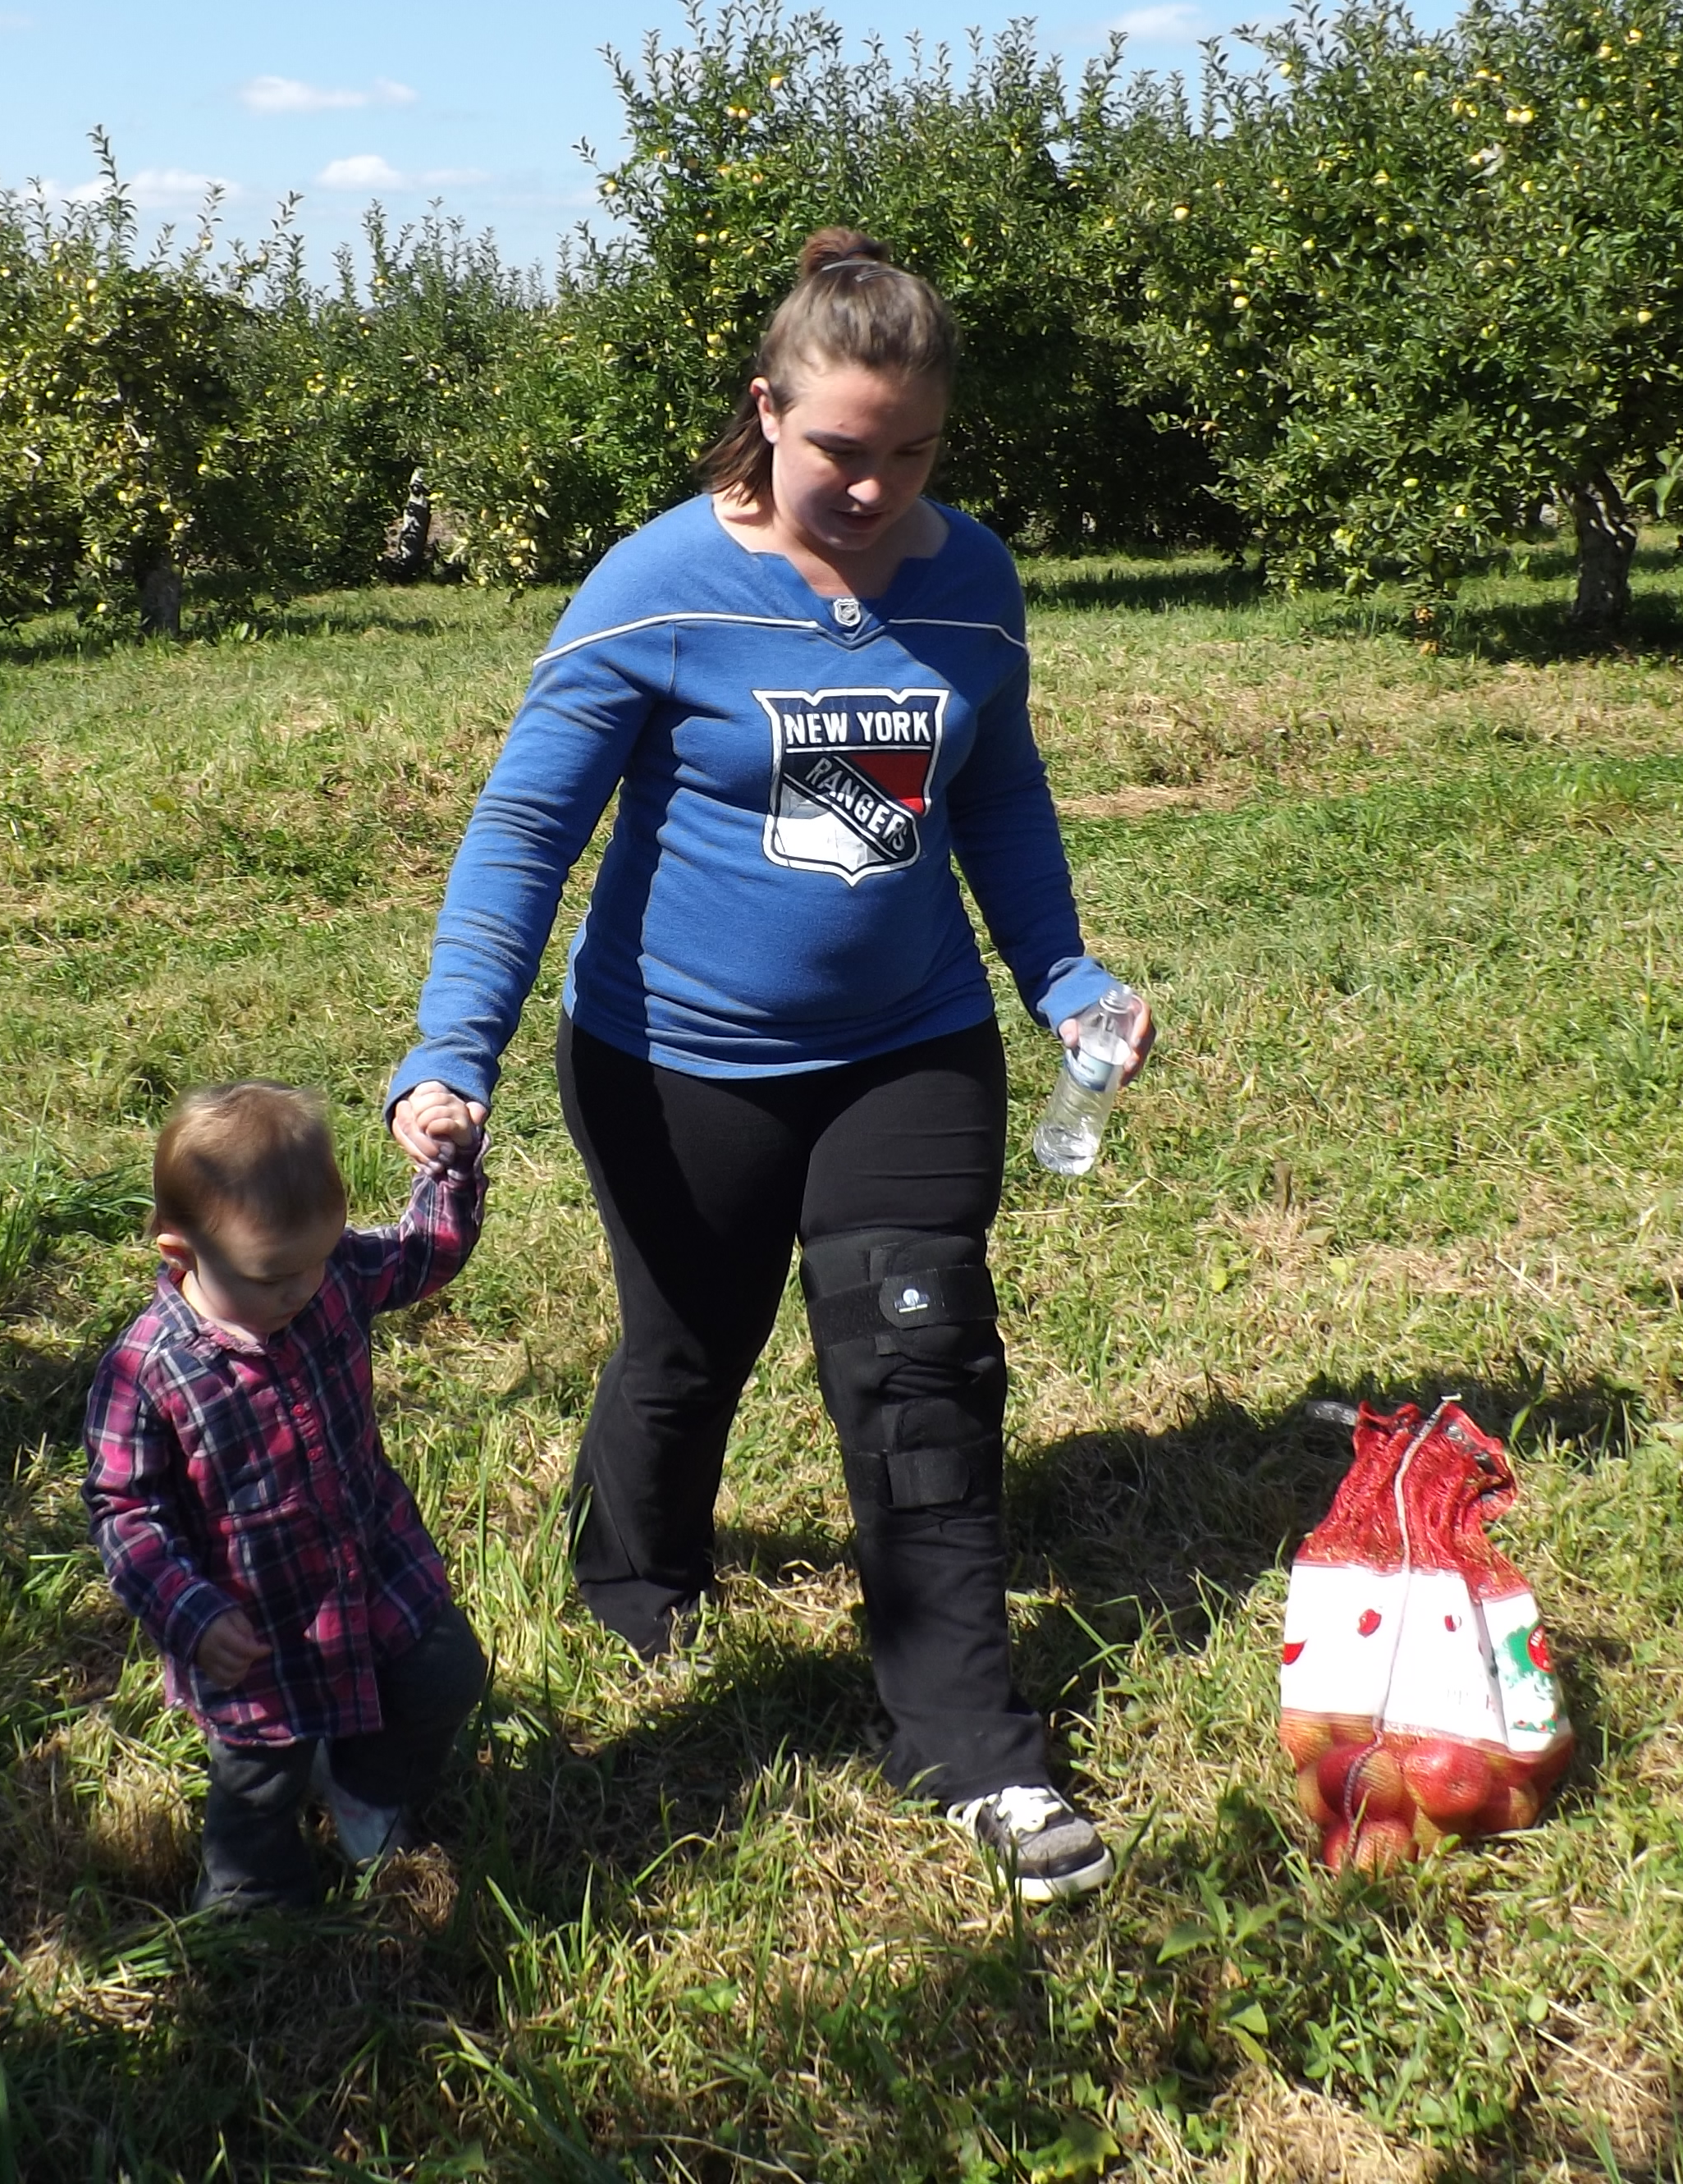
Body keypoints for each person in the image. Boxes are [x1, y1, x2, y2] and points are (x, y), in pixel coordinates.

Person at [383, 228, 1154, 1902]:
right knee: (687, 1344)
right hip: (674, 1056)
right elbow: (526, 829)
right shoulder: (658, 582)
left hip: (907, 1045)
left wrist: (1060, 973)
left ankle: (964, 1739)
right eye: (836, 451)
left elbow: (996, 796)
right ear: (765, 411)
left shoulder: (971, 582)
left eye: (910, 454)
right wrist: (453, 1047)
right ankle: (631, 1573)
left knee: (918, 1356)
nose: (873, 490)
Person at [83, 1081, 492, 1913]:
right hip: (249, 1615)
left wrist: (449, 1170)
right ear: (180, 1253)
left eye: (318, 1258)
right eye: (274, 1276)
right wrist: (188, 1613)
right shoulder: (151, 1367)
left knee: (447, 1674)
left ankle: (365, 1784)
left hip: (368, 1562)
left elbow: (422, 1252)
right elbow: (125, 1512)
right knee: (259, 1774)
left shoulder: (326, 1272)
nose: (303, 1289)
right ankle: (250, 1895)